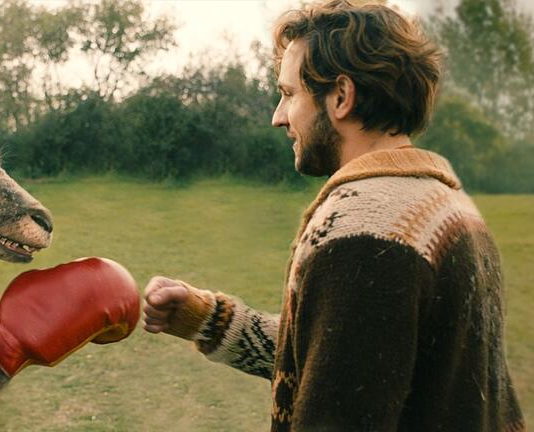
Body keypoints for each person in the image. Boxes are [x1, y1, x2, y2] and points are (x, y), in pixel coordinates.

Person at [142, 1, 525, 431]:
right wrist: (207, 319)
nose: (278, 117)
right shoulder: (448, 205)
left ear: (341, 96)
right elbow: (349, 360)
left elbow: (337, 410)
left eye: (288, 94)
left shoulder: (363, 230)